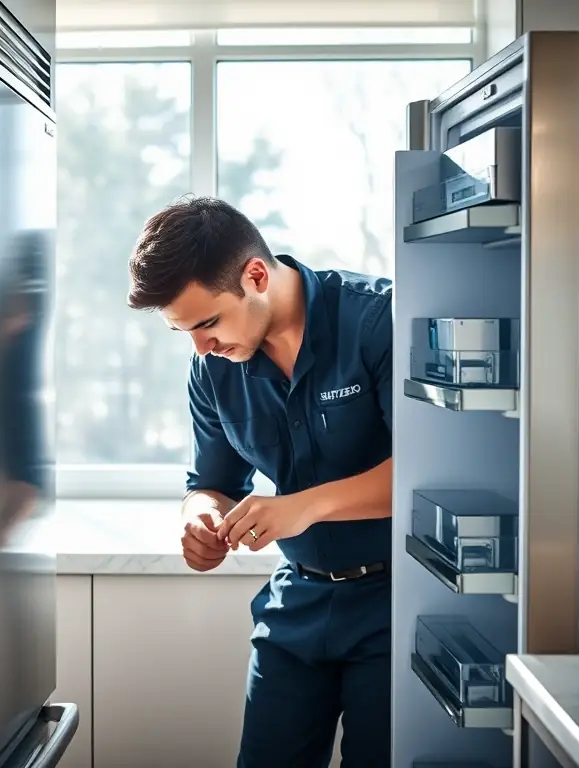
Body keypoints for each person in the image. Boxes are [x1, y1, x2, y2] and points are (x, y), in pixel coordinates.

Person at [126, 196, 393, 767]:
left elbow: (431, 472)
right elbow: (210, 481)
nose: (202, 348)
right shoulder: (211, 367)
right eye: (185, 333)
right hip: (294, 606)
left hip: (397, 607)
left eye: (208, 323)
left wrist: (301, 507)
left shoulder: (380, 320)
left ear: (255, 275)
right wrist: (197, 516)